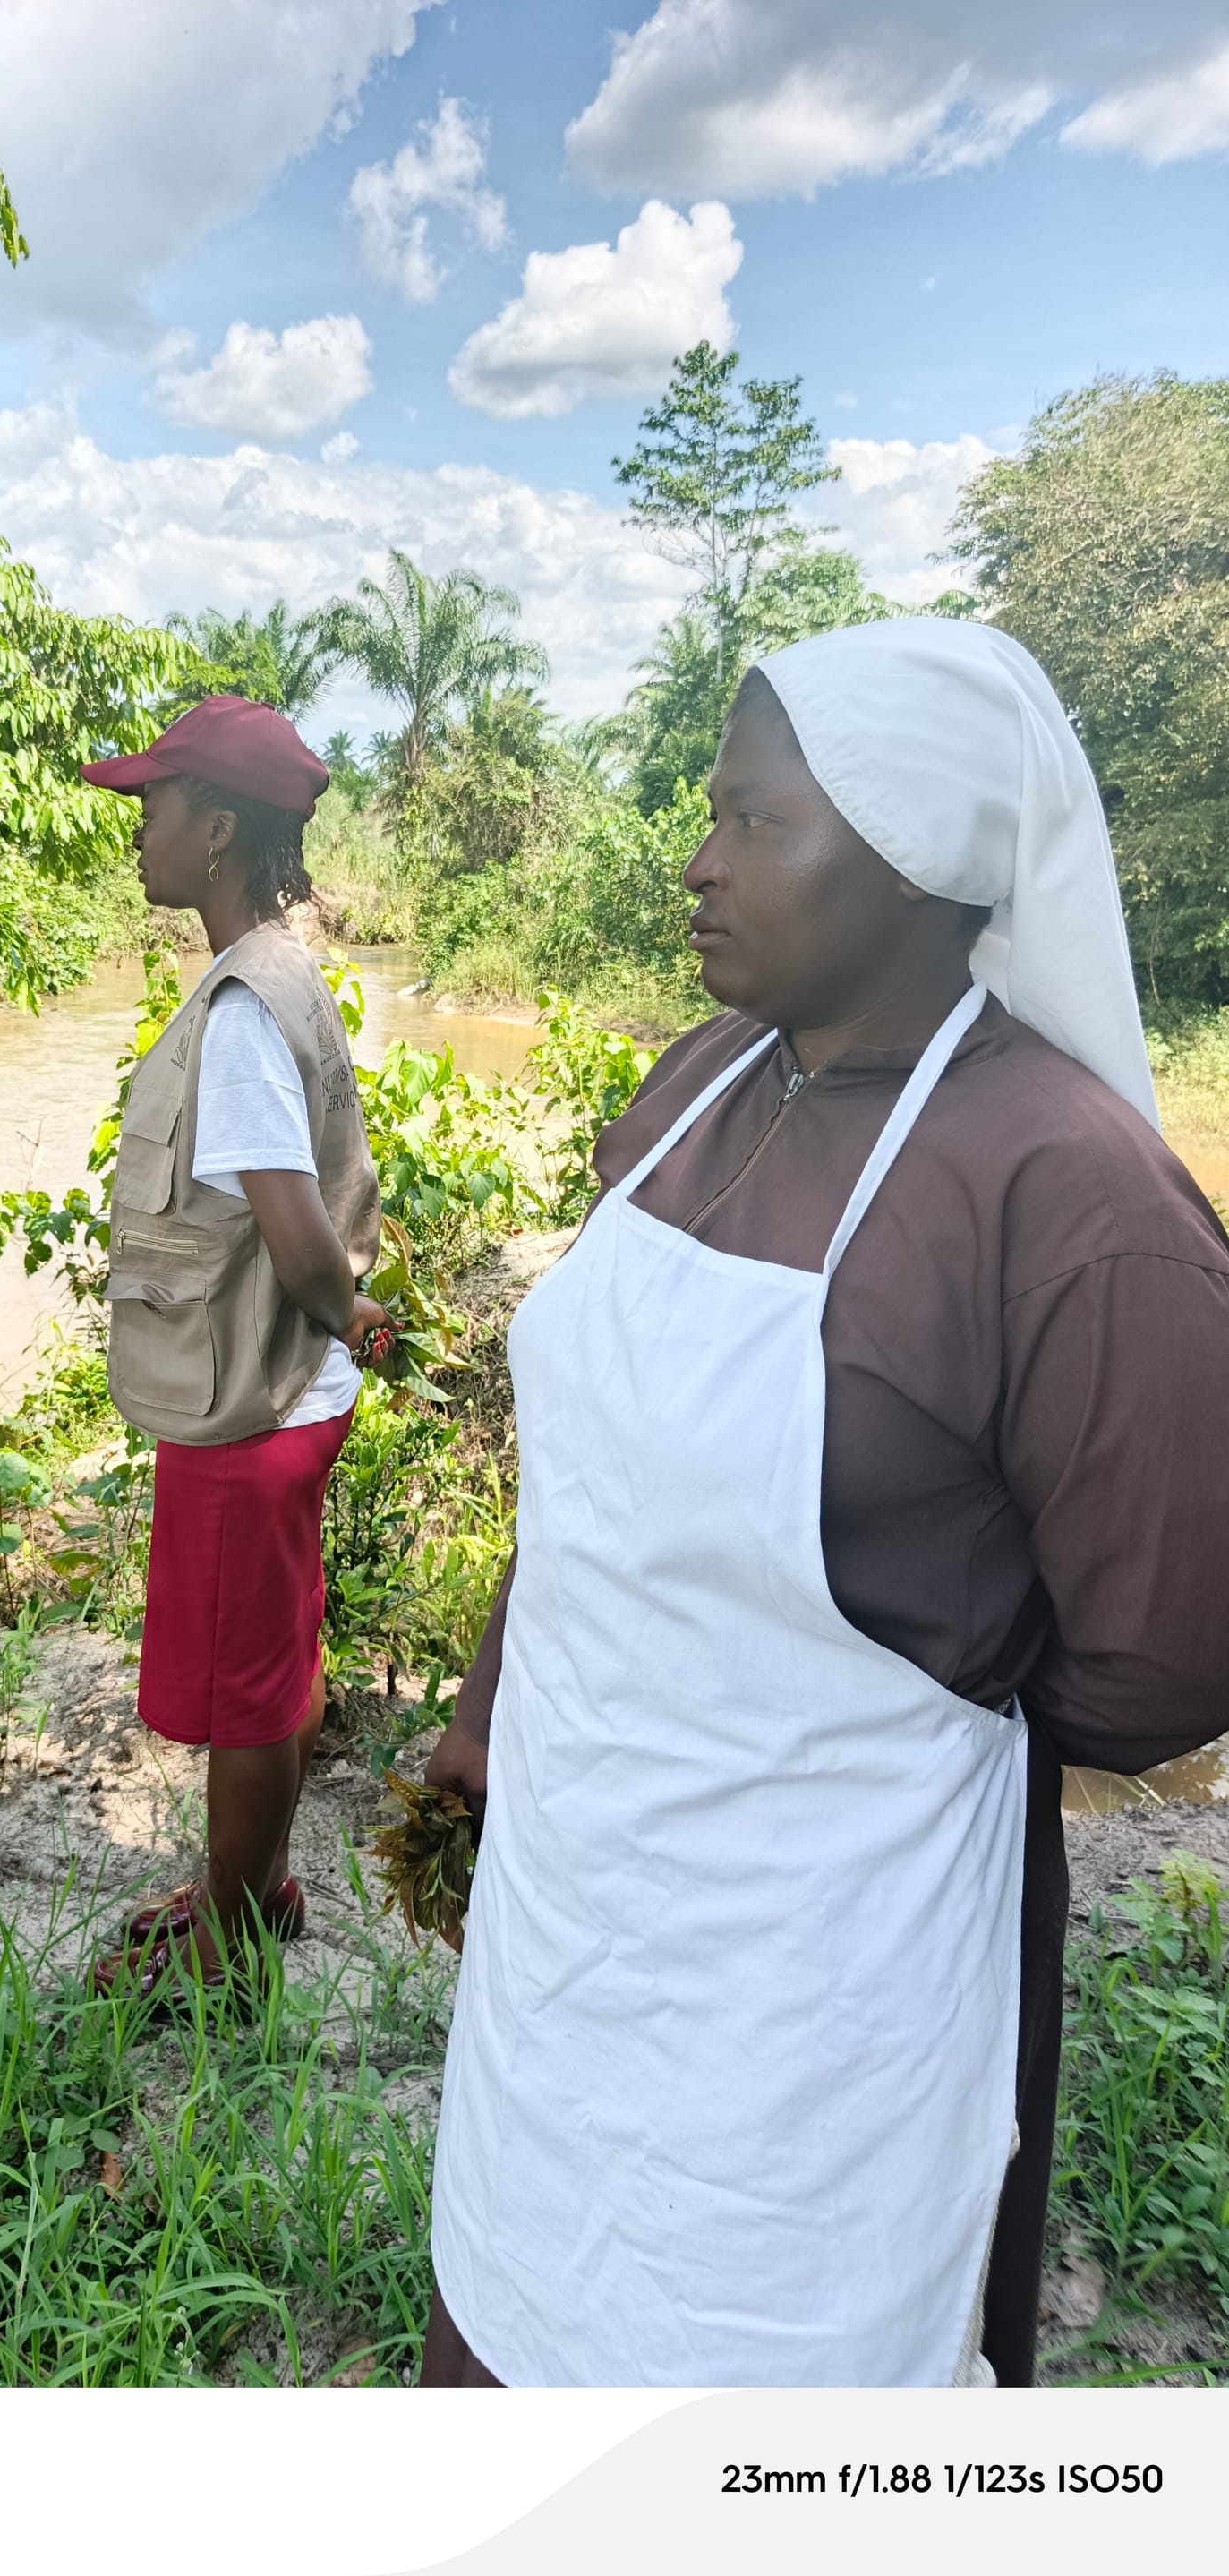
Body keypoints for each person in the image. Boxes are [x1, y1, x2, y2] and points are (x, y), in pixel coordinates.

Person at [421, 617, 1229, 2388]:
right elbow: (600, 1460)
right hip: (580, 1893)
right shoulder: (697, 1080)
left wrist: (867, 1689)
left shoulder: (1067, 1195)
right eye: (708, 813)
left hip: (826, 1969)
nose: (697, 860)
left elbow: (1165, 1665)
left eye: (754, 821)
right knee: (521, 2301)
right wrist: (499, 1696)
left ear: (922, 860)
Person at [78, 697, 386, 1998]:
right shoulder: (263, 972)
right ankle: (240, 1884)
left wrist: (356, 1324)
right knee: (275, 1655)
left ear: (215, 831)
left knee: (255, 1681)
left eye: (153, 804)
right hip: (276, 1388)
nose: (135, 828)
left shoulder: (244, 1012)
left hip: (257, 1404)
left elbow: (302, 1244)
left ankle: (232, 1940)